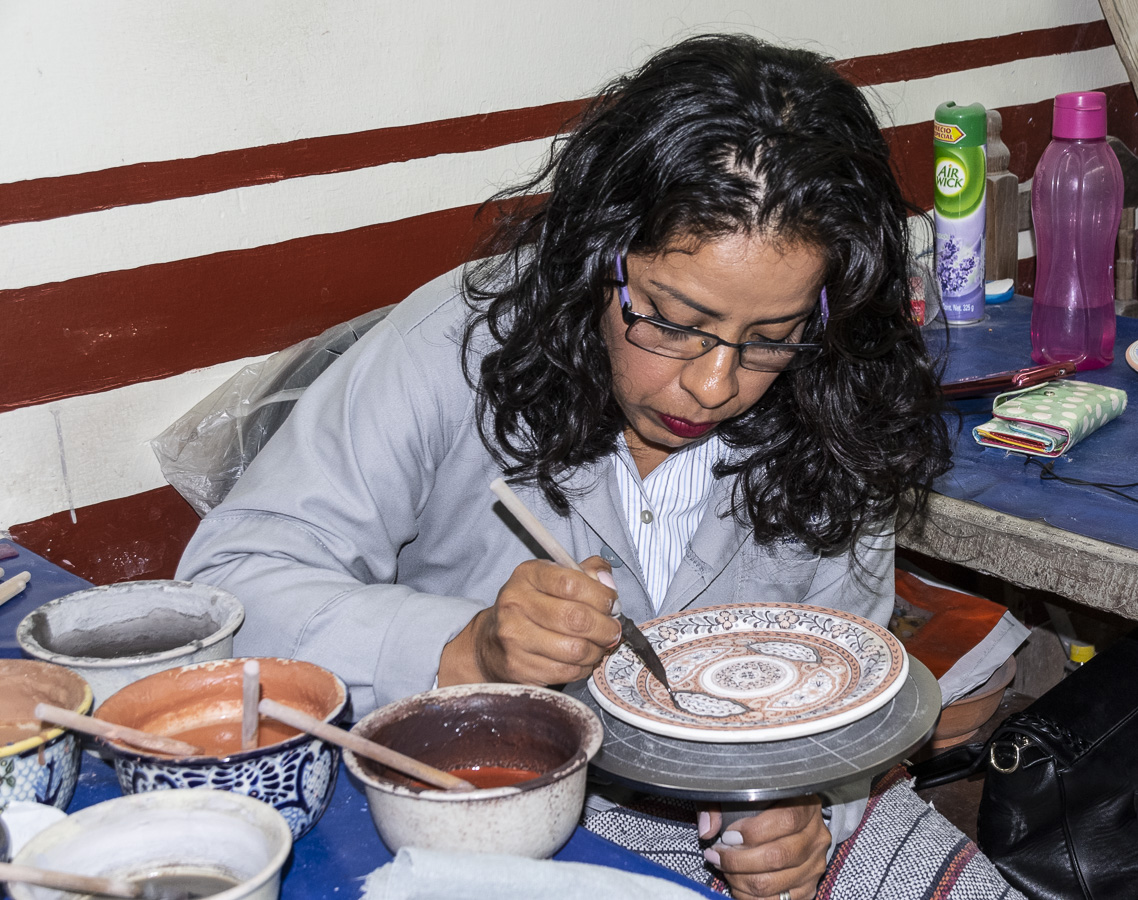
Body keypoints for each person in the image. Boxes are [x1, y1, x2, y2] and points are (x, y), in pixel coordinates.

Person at [177, 34, 953, 899]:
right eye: (672, 320)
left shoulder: (840, 392)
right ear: (599, 254)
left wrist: (810, 814)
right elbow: (230, 590)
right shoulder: (456, 347)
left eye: (769, 340)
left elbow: (856, 690)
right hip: (513, 786)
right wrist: (468, 651)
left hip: (752, 801)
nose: (712, 383)